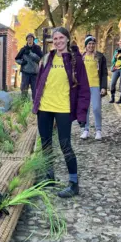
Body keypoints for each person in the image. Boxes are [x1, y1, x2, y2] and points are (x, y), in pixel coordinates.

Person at [32, 27, 90, 198]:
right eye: (55, 38)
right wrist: (36, 103)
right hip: (45, 107)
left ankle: (73, 183)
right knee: (46, 143)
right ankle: (49, 176)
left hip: (63, 108)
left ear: (67, 39)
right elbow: (40, 82)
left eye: (60, 38)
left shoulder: (75, 60)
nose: (57, 41)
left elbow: (84, 89)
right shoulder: (47, 57)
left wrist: (81, 114)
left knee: (65, 145)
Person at [80, 35, 108, 140]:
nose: (91, 46)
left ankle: (98, 130)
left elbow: (104, 73)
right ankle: (86, 130)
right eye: (89, 44)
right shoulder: (82, 57)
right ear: (86, 46)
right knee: (85, 109)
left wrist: (104, 87)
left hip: (96, 85)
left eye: (92, 44)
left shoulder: (100, 57)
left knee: (96, 108)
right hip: (84, 87)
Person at [15, 33, 43, 100]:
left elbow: (40, 59)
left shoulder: (37, 48)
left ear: (33, 39)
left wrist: (30, 53)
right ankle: (24, 105)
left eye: (31, 38)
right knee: (24, 91)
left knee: (35, 91)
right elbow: (16, 59)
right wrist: (22, 62)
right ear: (26, 40)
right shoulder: (23, 49)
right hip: (25, 73)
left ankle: (35, 107)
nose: (30, 39)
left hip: (35, 74)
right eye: (28, 38)